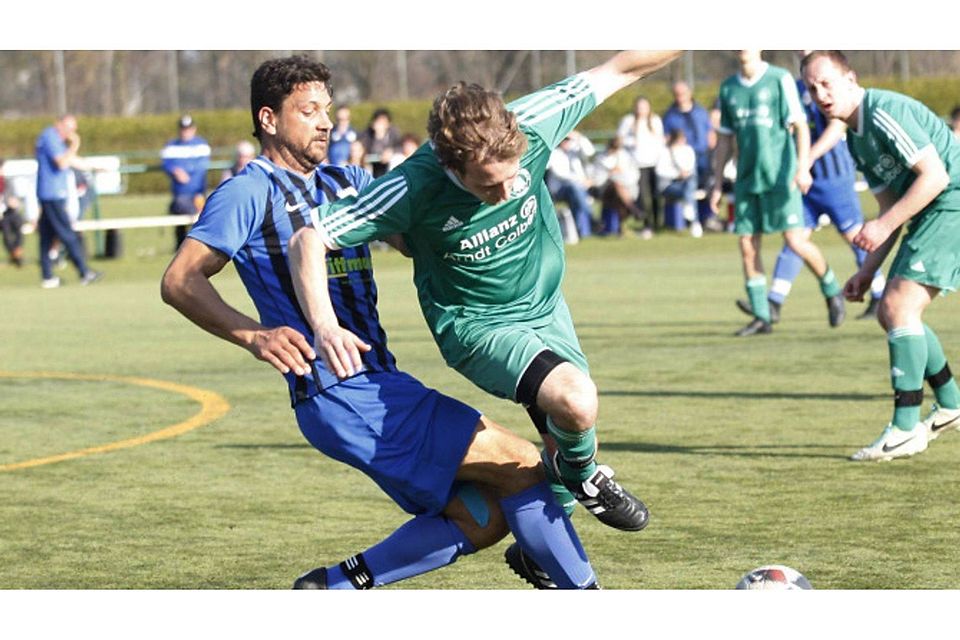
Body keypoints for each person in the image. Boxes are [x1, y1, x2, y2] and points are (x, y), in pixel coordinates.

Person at [161, 55, 599, 590]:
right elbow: (180, 280)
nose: (325, 121)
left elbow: (419, 241)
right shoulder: (249, 191)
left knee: (484, 514)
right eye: (308, 110)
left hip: (378, 381)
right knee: (522, 466)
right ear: (269, 119)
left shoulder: (349, 180)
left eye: (327, 108)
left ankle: (331, 587)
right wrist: (255, 335)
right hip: (338, 389)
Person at [305, 50, 682, 532]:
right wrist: (324, 325)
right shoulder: (411, 186)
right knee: (577, 401)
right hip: (476, 325)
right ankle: (586, 478)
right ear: (451, 167)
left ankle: (545, 552)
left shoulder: (537, 119)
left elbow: (621, 68)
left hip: (545, 306)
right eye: (487, 187)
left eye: (512, 177)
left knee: (567, 427)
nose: (506, 194)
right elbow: (309, 237)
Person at [802, 50, 960, 461]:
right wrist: (867, 271)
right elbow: (890, 204)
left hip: (952, 205)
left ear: (850, 78)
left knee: (897, 306)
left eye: (826, 82)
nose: (820, 93)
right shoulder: (856, 137)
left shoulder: (882, 110)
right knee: (893, 310)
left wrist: (885, 226)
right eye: (811, 87)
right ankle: (951, 404)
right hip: (931, 213)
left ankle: (906, 429)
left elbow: (937, 177)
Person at [735, 50, 885, 324]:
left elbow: (837, 127)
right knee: (794, 240)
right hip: (802, 180)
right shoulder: (793, 84)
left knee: (854, 236)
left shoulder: (828, 81)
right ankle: (774, 302)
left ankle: (879, 293)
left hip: (833, 177)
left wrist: (808, 158)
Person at [710, 50, 845, 337]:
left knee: (795, 241)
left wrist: (802, 167)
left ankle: (832, 289)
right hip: (747, 180)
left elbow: (801, 128)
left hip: (780, 178)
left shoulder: (779, 79)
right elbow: (724, 139)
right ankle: (762, 316)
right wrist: (717, 183)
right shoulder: (728, 88)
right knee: (747, 245)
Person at [34, 114, 102, 288]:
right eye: (69, 129)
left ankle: (48, 277)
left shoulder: (54, 139)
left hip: (52, 194)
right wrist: (75, 144)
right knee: (67, 234)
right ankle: (84, 271)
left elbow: (71, 160)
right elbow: (63, 163)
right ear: (59, 124)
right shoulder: (50, 137)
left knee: (47, 236)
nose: (71, 133)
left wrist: (94, 167)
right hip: (52, 195)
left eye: (73, 130)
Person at [662, 80, 723, 231]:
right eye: (677, 94)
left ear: (689, 93)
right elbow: (666, 138)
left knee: (708, 185)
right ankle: (694, 221)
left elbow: (710, 132)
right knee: (691, 183)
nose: (680, 97)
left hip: (703, 155)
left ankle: (707, 218)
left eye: (682, 93)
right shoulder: (669, 116)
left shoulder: (700, 111)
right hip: (683, 159)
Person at [161, 114, 211, 250]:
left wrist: (186, 170)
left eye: (188, 129)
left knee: (200, 217)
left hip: (197, 192)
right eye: (183, 129)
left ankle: (193, 246)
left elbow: (200, 167)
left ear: (193, 129)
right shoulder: (172, 146)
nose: (185, 132)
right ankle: (182, 246)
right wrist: (174, 170)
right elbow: (165, 163)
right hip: (180, 194)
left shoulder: (201, 144)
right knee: (181, 212)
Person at [617, 96, 664, 230]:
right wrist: (632, 142)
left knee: (656, 194)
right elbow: (619, 140)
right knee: (643, 196)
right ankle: (647, 224)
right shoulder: (628, 121)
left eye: (644, 107)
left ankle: (657, 223)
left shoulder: (655, 121)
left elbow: (659, 141)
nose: (641, 110)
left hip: (654, 164)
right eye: (639, 107)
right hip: (636, 165)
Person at [546, 131, 596, 239]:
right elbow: (560, 174)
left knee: (577, 197)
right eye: (564, 139)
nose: (566, 142)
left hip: (578, 188)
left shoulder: (575, 152)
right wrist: (581, 180)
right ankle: (591, 216)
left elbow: (590, 151)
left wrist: (579, 136)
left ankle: (583, 232)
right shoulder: (555, 153)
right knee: (576, 189)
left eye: (568, 140)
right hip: (559, 190)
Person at [594, 135, 643, 237]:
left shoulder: (626, 157)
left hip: (627, 187)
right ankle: (633, 209)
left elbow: (633, 176)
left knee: (619, 196)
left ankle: (620, 227)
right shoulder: (601, 158)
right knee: (617, 187)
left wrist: (619, 174)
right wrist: (611, 173)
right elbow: (598, 179)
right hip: (605, 189)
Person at [655, 129, 700, 236]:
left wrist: (685, 174)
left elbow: (691, 167)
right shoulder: (665, 152)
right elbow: (660, 171)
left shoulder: (688, 150)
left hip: (687, 182)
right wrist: (677, 175)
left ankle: (691, 213)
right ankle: (695, 222)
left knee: (690, 184)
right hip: (669, 185)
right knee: (690, 192)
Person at [357, 108, 401, 178]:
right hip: (371, 165)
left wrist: (391, 152)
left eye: (383, 122)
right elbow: (364, 150)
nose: (381, 125)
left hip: (388, 165)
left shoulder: (394, 133)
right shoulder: (367, 134)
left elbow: (401, 147)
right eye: (378, 122)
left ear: (388, 124)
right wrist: (378, 136)